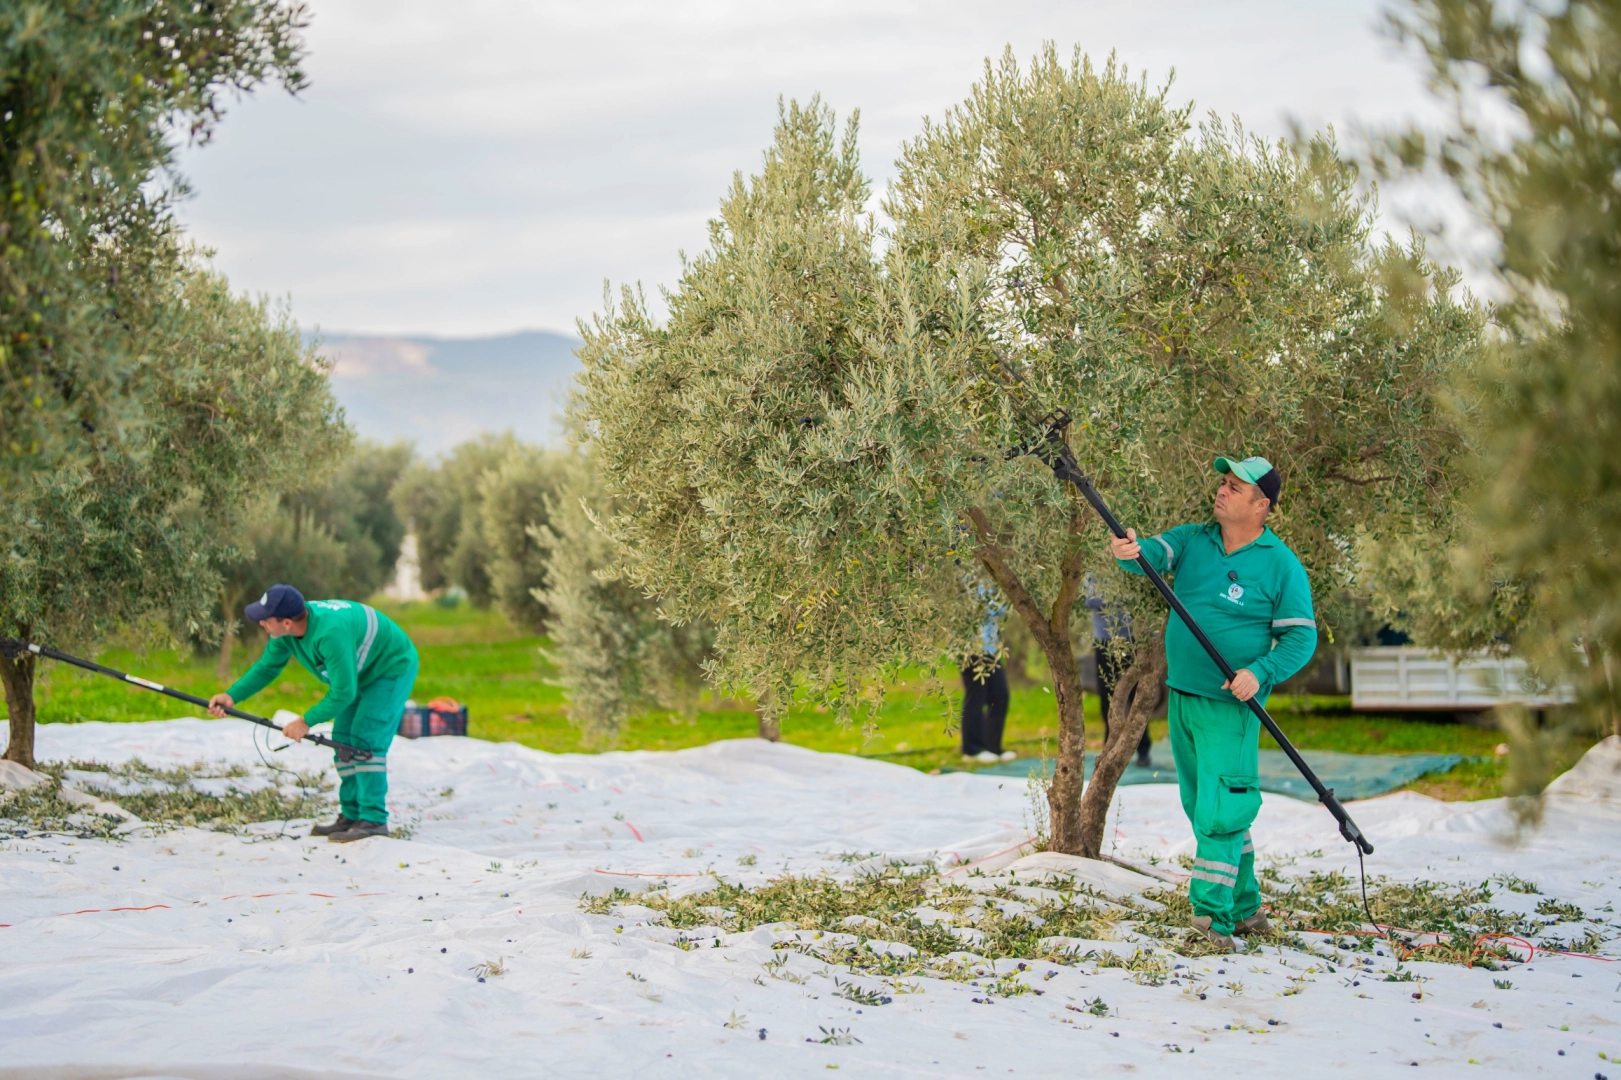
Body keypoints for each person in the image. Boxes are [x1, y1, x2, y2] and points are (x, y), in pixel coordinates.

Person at [1109, 456, 1317, 949]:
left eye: (1235, 487)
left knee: (1222, 809)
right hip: (1183, 698)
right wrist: (1126, 550)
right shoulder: (1194, 540)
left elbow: (1300, 640)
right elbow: (1149, 554)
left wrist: (1259, 673)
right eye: (1222, 482)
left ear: (1261, 504)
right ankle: (1245, 909)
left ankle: (1212, 922)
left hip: (1231, 707)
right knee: (1203, 804)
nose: (1222, 491)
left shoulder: (1280, 564)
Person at [209, 584, 419, 843]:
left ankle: (374, 819)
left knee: (366, 740)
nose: (261, 622)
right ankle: (352, 816)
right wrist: (232, 696)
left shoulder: (330, 633)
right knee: (343, 739)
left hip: (390, 667)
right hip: (359, 673)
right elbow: (267, 668)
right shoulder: (287, 633)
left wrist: (305, 722)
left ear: (286, 622)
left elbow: (343, 693)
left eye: (266, 618)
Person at [1085, 588, 1153, 769]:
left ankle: (1143, 748)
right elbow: (1090, 600)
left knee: (1136, 697)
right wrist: (1117, 596)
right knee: (1107, 697)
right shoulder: (1096, 571)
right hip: (1104, 641)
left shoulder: (1129, 564)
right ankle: (1109, 749)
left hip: (1130, 640)